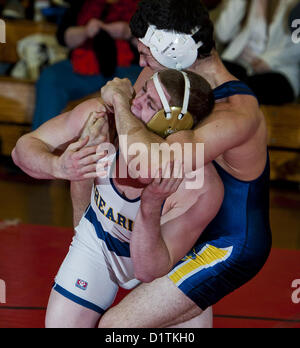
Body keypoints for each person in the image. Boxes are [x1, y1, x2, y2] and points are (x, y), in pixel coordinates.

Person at [13, 0, 272, 328]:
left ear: (175, 49)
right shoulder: (162, 71)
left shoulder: (235, 112)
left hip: (222, 243)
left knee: (116, 328)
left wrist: (119, 101)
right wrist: (64, 167)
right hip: (163, 228)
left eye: (146, 53)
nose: (139, 63)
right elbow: (118, 133)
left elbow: (149, 163)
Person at [13, 69, 222, 328]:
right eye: (143, 91)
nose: (135, 102)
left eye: (150, 104)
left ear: (174, 124)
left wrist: (151, 204)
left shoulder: (199, 184)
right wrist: (58, 167)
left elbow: (148, 270)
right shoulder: (103, 117)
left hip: (168, 268)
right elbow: (22, 150)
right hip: (100, 242)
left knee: (117, 329)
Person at [32, 0, 142, 130]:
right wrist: (85, 31)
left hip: (127, 69)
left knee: (139, 87)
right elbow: (62, 37)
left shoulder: (143, 5)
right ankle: (43, 141)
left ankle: (128, 145)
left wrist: (129, 33)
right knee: (50, 78)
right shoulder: (82, 3)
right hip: (83, 66)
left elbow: (154, 47)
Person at [215, 0, 300, 105]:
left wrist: (269, 61)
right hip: (241, 66)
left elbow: (297, 45)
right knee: (212, 76)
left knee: (241, 90)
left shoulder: (292, 3)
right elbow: (222, 34)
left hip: (279, 71)